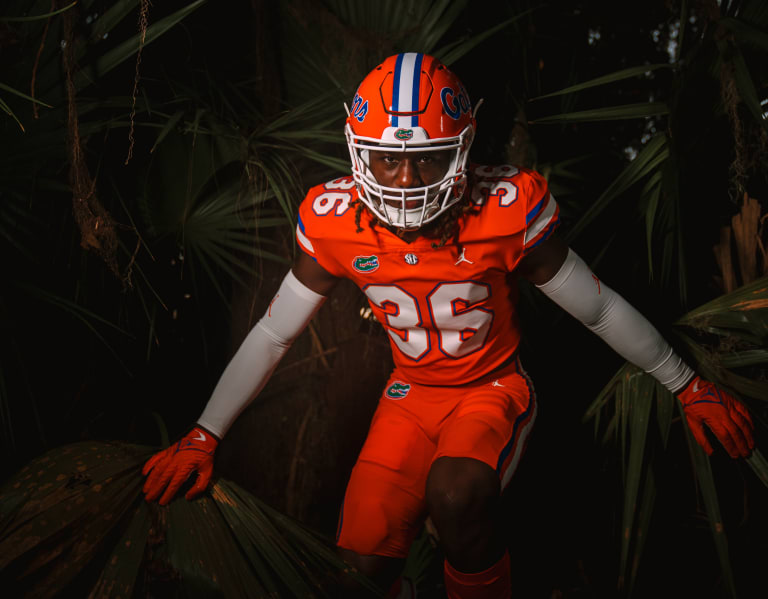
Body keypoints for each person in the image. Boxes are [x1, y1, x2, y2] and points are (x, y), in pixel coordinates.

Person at [141, 53, 755, 599]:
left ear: (462, 152)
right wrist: (204, 434)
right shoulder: (331, 221)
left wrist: (687, 385)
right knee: (356, 573)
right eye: (386, 161)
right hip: (407, 398)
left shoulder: (507, 207)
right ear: (358, 155)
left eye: (427, 159)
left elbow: (595, 306)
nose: (405, 182)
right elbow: (276, 332)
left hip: (492, 389)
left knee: (456, 497)